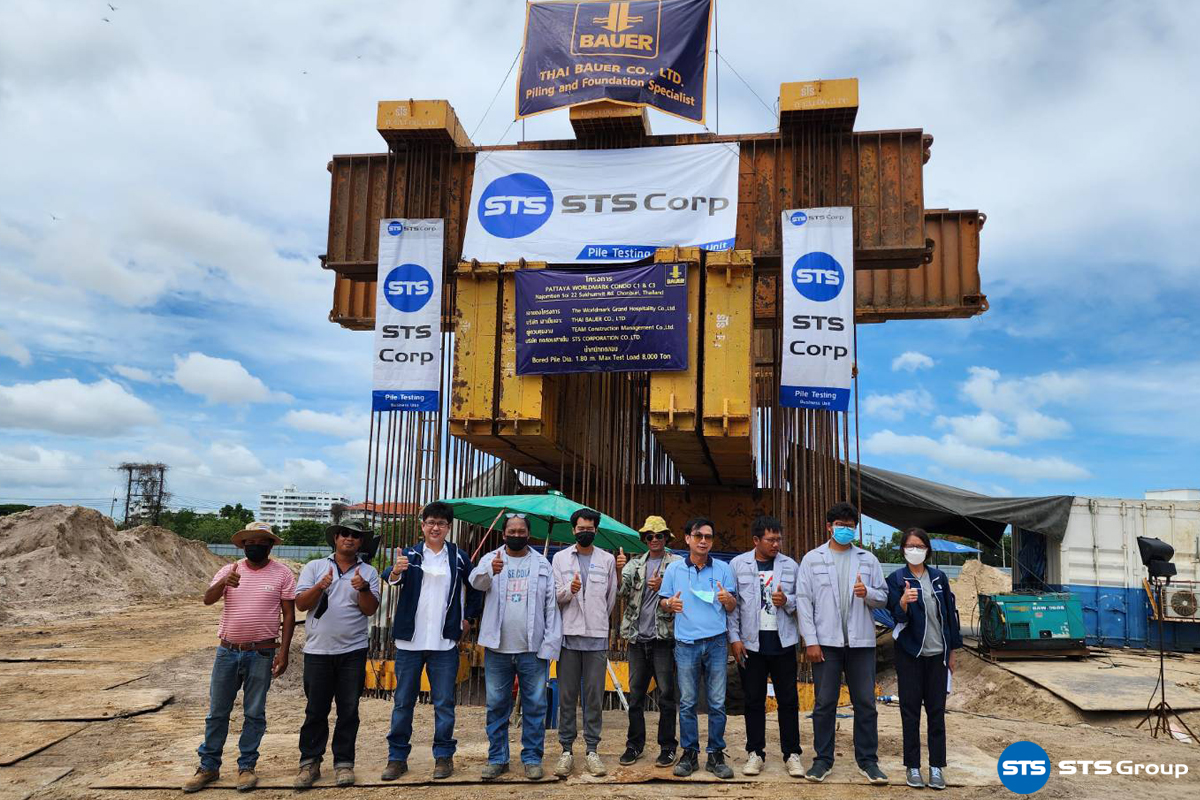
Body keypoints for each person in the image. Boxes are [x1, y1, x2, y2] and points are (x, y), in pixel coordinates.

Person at [185, 521, 296, 793]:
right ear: (243, 545)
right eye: (250, 542)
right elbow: (207, 600)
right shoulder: (230, 570)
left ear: (270, 546)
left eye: (261, 542)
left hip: (262, 652)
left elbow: (289, 615)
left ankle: (246, 767)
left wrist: (283, 652)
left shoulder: (282, 573)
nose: (255, 546)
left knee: (254, 713)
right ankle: (208, 766)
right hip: (227, 652)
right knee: (217, 712)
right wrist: (224, 583)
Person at [382, 501, 483, 781]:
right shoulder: (410, 554)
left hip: (444, 643)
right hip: (410, 643)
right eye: (430, 523)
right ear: (422, 525)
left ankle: (443, 757)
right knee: (403, 702)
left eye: (441, 523)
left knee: (444, 703)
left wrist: (468, 619)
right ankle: (397, 758)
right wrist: (396, 571)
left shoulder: (459, 557)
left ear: (448, 527)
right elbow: (390, 577)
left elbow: (476, 588)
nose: (435, 528)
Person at [795, 502, 889, 785]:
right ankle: (822, 760)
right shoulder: (812, 559)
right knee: (825, 703)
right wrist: (811, 641)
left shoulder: (868, 560)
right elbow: (804, 602)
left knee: (866, 703)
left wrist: (867, 592)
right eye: (840, 525)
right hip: (826, 644)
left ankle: (868, 761)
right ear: (829, 527)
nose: (845, 530)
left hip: (861, 644)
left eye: (850, 526)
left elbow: (883, 597)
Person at [468, 513, 562, 781]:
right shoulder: (492, 558)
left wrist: (550, 644)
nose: (517, 535)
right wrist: (490, 570)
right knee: (497, 706)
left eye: (522, 531)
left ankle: (532, 758)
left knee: (535, 706)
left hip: (532, 650)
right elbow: (475, 583)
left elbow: (551, 606)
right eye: (512, 531)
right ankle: (498, 758)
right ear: (504, 533)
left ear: (528, 534)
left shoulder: (542, 564)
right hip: (497, 649)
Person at [293, 521, 381, 789]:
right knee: (315, 710)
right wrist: (320, 586)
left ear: (361, 542)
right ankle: (310, 762)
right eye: (345, 534)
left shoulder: (369, 572)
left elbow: (370, 610)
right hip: (318, 651)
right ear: (336, 538)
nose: (349, 538)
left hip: (353, 651)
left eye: (356, 535)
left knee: (349, 710)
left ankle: (344, 763)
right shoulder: (315, 567)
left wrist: (363, 588)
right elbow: (301, 604)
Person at [657, 516, 737, 779]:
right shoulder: (674, 570)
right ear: (687, 539)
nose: (703, 541)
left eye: (708, 537)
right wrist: (670, 604)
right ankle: (689, 753)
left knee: (717, 702)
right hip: (686, 643)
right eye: (698, 536)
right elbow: (663, 602)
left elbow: (732, 605)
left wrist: (727, 599)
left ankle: (715, 754)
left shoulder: (723, 569)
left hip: (716, 642)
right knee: (687, 702)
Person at [885, 528, 963, 790]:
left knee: (936, 712)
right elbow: (896, 617)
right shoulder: (897, 579)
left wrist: (952, 651)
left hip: (937, 656)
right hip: (910, 654)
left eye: (920, 546)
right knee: (910, 712)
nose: (915, 550)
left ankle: (937, 767)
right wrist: (903, 602)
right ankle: (913, 767)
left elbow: (949, 616)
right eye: (910, 546)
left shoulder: (939, 578)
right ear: (903, 549)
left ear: (927, 550)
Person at [727, 515, 804, 777]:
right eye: (770, 540)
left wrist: (787, 601)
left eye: (778, 539)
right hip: (751, 645)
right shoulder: (738, 565)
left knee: (788, 700)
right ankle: (755, 753)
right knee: (753, 700)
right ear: (756, 540)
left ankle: (792, 754)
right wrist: (734, 638)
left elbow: (802, 601)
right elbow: (733, 606)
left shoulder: (791, 566)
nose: (776, 545)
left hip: (783, 643)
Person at [551, 508, 618, 777]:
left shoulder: (607, 560)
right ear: (573, 530)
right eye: (581, 529)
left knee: (593, 697)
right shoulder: (560, 558)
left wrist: (597, 618)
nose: (585, 532)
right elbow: (554, 596)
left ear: (596, 530)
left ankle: (592, 750)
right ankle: (566, 750)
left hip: (596, 638)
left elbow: (610, 598)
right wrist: (570, 590)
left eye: (590, 529)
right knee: (566, 697)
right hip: (569, 637)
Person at [615, 515, 682, 768]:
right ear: (644, 539)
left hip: (662, 639)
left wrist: (664, 585)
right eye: (650, 536)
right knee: (635, 697)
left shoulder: (677, 564)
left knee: (666, 696)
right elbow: (621, 593)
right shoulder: (634, 565)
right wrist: (619, 569)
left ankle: (667, 747)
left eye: (659, 536)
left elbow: (685, 594)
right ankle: (634, 745)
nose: (654, 540)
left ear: (666, 538)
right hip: (636, 638)